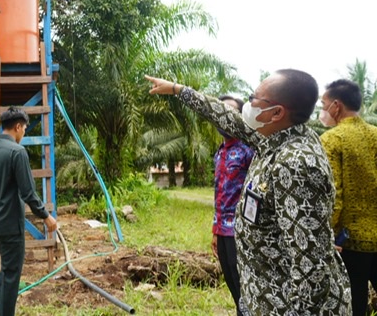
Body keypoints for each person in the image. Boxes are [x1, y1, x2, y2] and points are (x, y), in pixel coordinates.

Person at [145, 69, 351, 316]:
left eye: (254, 99)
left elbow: (311, 270)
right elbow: (227, 118)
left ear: (277, 113)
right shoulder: (276, 138)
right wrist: (179, 90)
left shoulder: (296, 164)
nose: (248, 104)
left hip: (285, 307)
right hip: (264, 298)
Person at [0, 107, 57, 316]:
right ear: (17, 127)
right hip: (10, 225)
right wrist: (46, 216)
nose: (24, 133)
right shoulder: (17, 152)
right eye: (24, 129)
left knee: (8, 267)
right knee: (12, 275)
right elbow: (28, 193)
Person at [319, 79, 377, 316]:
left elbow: (335, 195)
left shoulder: (333, 139)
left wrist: (328, 234)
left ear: (336, 106)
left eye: (323, 105)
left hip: (350, 242)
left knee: (355, 303)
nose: (322, 111)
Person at [212, 96, 254, 316]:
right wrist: (215, 230)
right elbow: (219, 194)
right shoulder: (220, 152)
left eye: (230, 111)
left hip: (242, 232)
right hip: (223, 231)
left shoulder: (248, 150)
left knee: (245, 288)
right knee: (234, 288)